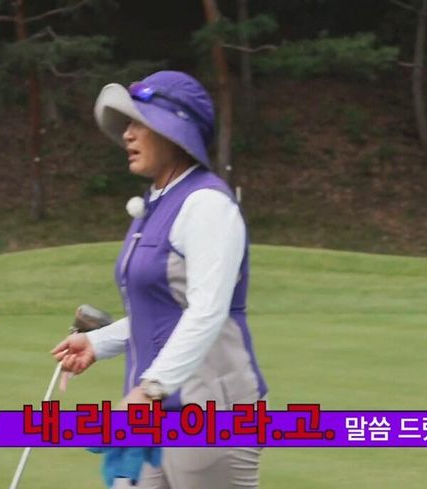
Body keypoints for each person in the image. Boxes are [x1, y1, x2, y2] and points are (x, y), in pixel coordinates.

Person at [52, 70, 268, 489]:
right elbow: (161, 312)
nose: (127, 135)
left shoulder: (207, 205)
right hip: (156, 409)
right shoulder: (156, 204)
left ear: (175, 132)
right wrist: (98, 342)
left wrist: (150, 390)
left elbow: (207, 311)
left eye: (140, 123)